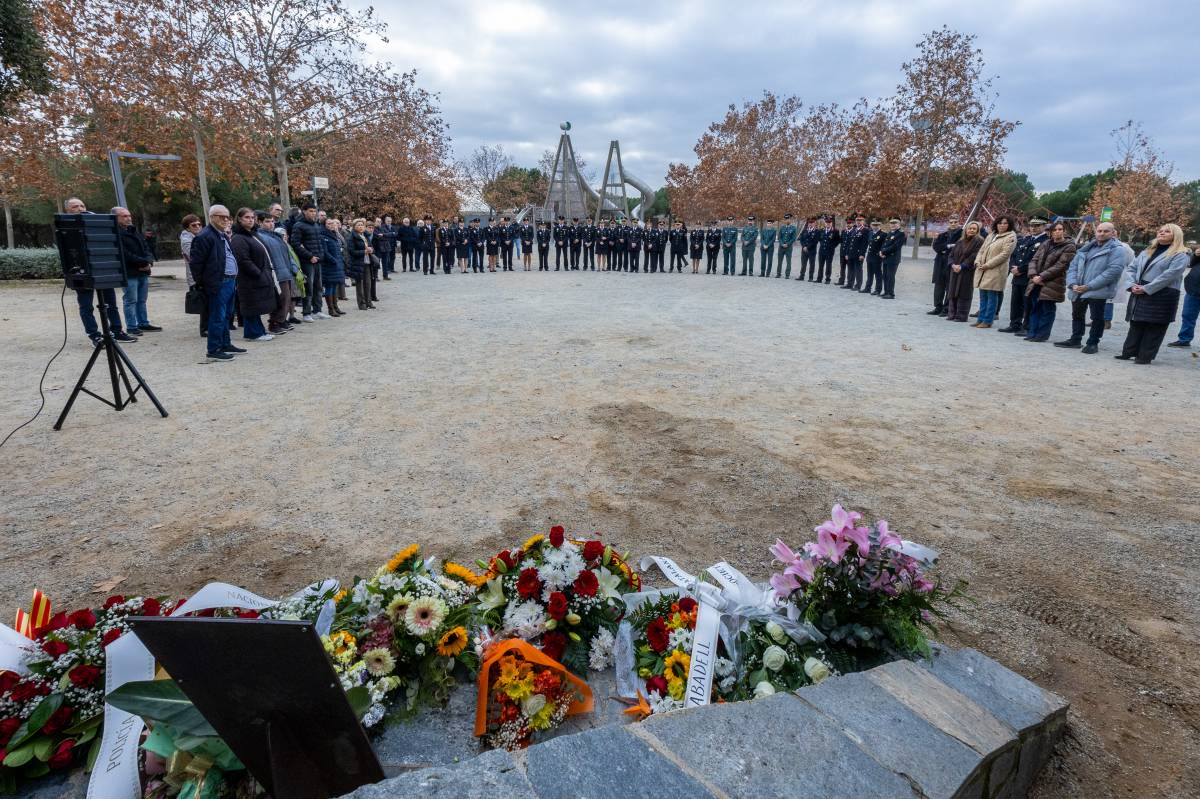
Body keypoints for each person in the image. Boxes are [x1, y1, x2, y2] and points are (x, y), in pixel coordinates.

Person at [1117, 223, 1190, 363]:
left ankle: (1145, 356)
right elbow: (1131, 268)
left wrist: (1147, 288)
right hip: (1138, 289)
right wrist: (1131, 285)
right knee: (1136, 323)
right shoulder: (1148, 250)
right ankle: (1129, 352)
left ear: (1176, 235)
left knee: (1155, 326)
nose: (1161, 233)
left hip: (1162, 293)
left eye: (1167, 231)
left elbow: (1170, 275)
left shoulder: (1181, 254)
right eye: (1160, 231)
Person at [1054, 221, 1127, 352]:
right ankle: (1075, 339)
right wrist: (1072, 284)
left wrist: (1089, 286)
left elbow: (1112, 272)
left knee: (1097, 318)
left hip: (1098, 290)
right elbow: (1073, 267)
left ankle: (1093, 343)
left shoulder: (1117, 250)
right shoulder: (1086, 248)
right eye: (1099, 231)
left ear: (1113, 233)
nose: (1102, 233)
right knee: (1077, 315)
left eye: (1106, 231)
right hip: (1078, 289)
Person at [188, 205, 241, 360]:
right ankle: (213, 349)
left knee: (226, 315)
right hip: (218, 283)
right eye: (221, 216)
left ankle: (225, 343)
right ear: (211, 217)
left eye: (227, 216)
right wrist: (205, 284)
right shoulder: (205, 236)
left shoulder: (221, 234)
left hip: (229, 281)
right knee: (217, 316)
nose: (225, 219)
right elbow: (196, 264)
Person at [228, 207, 279, 341]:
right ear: (239, 219)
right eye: (247, 217)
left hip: (259, 276)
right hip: (249, 279)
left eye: (252, 218)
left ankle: (259, 331)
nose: (250, 220)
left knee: (256, 306)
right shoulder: (238, 238)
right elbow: (243, 260)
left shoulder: (252, 234)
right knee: (251, 306)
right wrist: (258, 273)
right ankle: (252, 333)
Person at [1023, 221, 1076, 342]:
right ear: (1050, 232)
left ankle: (1042, 335)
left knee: (1047, 309)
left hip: (1052, 282)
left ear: (1064, 231)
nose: (1057, 232)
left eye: (1060, 229)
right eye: (1055, 230)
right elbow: (1034, 260)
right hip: (1036, 281)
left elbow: (1060, 266)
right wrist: (1033, 275)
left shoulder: (1069, 246)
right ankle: (1032, 333)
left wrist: (1041, 277)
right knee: (1035, 307)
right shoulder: (1046, 243)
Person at [114, 207, 158, 335]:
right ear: (116, 218)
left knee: (142, 299)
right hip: (130, 272)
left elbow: (146, 247)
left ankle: (143, 323)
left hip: (142, 271)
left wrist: (149, 261)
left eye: (129, 215)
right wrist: (143, 262)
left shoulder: (134, 231)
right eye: (124, 216)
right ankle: (132, 326)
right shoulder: (116, 233)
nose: (128, 218)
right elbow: (124, 254)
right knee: (130, 300)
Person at [999, 219, 1047, 334]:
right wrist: (1012, 267)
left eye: (1037, 225)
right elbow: (1014, 255)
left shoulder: (1045, 241)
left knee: (1028, 303)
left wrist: (1020, 269)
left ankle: (1027, 327)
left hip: (1029, 276)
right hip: (1017, 276)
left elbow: (1037, 260)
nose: (1033, 228)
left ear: (1044, 226)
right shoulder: (1025, 239)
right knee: (1016, 302)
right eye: (1031, 225)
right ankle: (1015, 324)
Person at [967, 216, 1016, 327]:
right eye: (1000, 223)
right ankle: (980, 319)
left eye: (1005, 223)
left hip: (995, 270)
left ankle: (988, 321)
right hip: (983, 269)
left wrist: (987, 265)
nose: (1002, 225)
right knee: (983, 295)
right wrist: (977, 262)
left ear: (1009, 225)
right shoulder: (991, 235)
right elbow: (982, 250)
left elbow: (1004, 255)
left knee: (992, 296)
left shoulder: (1011, 236)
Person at [256, 212, 298, 335]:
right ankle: (274, 322)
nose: (271, 224)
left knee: (287, 298)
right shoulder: (261, 236)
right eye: (267, 221)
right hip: (276, 272)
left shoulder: (275, 236)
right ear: (260, 222)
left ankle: (282, 320)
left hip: (285, 270)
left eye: (272, 221)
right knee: (281, 298)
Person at [290, 204, 328, 321]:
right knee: (308, 287)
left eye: (315, 211)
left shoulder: (316, 225)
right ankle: (306, 313)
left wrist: (320, 256)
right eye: (311, 211)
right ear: (304, 211)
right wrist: (310, 256)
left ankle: (318, 310)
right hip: (307, 262)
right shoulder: (298, 225)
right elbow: (295, 244)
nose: (314, 213)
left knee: (318, 287)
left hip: (318, 261)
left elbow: (320, 243)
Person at [944, 221, 983, 322]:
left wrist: (962, 266)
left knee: (963, 292)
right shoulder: (960, 241)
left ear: (977, 230)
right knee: (952, 291)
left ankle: (961, 316)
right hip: (955, 270)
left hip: (967, 271)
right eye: (970, 228)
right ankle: (952, 314)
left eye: (974, 229)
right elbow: (951, 255)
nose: (971, 230)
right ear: (966, 229)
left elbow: (974, 255)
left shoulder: (979, 241)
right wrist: (952, 264)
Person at [1166, 242, 1200, 349]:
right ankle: (1184, 339)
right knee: (1187, 315)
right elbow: (1191, 264)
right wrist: (1196, 255)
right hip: (1193, 289)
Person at [180, 213, 207, 336]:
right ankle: (204, 329)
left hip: (202, 273)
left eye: (199, 224)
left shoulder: (199, 236)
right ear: (187, 227)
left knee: (207, 303)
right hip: (196, 276)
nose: (197, 226)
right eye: (193, 225)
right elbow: (195, 256)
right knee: (204, 303)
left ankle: (207, 327)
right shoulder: (186, 239)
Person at [929, 218, 962, 315]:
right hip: (940, 263)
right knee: (938, 286)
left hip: (952, 263)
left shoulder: (962, 234)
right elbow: (936, 247)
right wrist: (948, 246)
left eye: (955, 222)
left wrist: (944, 248)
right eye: (951, 222)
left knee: (949, 286)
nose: (953, 224)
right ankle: (938, 307)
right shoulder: (943, 235)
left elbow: (959, 248)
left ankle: (947, 308)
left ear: (958, 223)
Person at [320, 218, 347, 315]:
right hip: (329, 265)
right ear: (324, 225)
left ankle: (336, 307)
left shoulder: (335, 235)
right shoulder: (323, 235)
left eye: (332, 223)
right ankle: (331, 309)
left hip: (337, 265)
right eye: (329, 223)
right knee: (329, 287)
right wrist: (333, 260)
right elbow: (325, 251)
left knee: (334, 286)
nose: (331, 225)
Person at [348, 218, 377, 308]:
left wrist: (371, 250)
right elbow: (351, 251)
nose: (361, 227)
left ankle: (369, 302)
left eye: (362, 225)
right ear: (354, 227)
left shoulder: (365, 236)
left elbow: (371, 247)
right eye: (358, 225)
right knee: (359, 284)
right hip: (358, 263)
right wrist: (364, 251)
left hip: (367, 262)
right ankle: (361, 303)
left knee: (368, 283)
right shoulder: (352, 237)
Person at [878, 218, 907, 299]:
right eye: (891, 223)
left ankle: (891, 294)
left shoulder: (900, 234)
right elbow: (884, 244)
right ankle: (886, 292)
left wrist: (883, 252)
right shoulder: (890, 233)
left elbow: (895, 246)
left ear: (899, 224)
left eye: (895, 223)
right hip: (886, 257)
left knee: (890, 276)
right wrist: (881, 251)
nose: (893, 225)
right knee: (885, 276)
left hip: (893, 258)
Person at [861, 220, 884, 294]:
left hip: (877, 257)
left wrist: (881, 253)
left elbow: (883, 246)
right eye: (873, 225)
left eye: (877, 225)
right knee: (869, 274)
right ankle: (868, 288)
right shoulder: (870, 233)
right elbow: (868, 244)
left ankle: (878, 290)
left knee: (878, 274)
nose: (875, 226)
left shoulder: (883, 234)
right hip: (870, 256)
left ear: (880, 226)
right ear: (871, 226)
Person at [816, 217, 839, 283]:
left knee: (828, 265)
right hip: (822, 250)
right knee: (821, 265)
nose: (828, 224)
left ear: (831, 223)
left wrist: (832, 246)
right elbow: (819, 239)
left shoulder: (835, 231)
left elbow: (837, 240)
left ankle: (828, 279)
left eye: (829, 222)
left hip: (830, 251)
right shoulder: (822, 230)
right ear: (825, 223)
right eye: (827, 222)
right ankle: (819, 278)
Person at [777, 213, 797, 278]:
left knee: (788, 261)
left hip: (788, 247)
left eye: (788, 219)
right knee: (779, 261)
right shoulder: (782, 228)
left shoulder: (793, 228)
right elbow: (779, 237)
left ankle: (787, 274)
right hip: (781, 247)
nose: (787, 220)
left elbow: (793, 238)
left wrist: (787, 244)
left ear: (790, 220)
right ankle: (778, 273)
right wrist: (782, 243)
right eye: (786, 219)